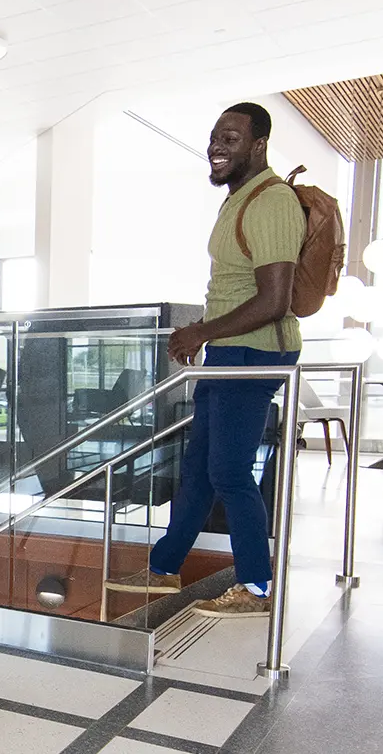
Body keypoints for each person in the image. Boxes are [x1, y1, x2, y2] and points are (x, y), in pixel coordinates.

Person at [113, 103, 304, 619]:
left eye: (232, 137)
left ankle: (257, 587)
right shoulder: (239, 198)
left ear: (259, 144)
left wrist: (200, 329)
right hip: (228, 351)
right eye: (215, 136)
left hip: (255, 351)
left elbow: (274, 299)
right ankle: (164, 566)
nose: (217, 146)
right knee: (197, 466)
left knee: (229, 471)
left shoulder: (273, 200)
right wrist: (208, 337)